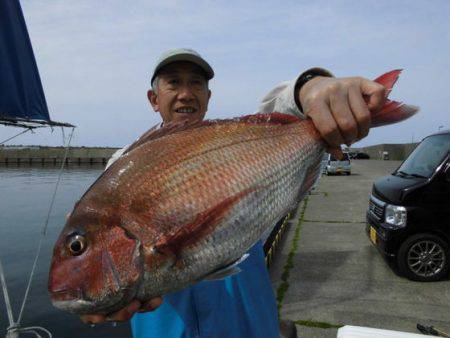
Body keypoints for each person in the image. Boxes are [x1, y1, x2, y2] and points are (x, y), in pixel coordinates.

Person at [81, 48, 386, 337]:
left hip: (251, 326)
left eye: (196, 84)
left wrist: (309, 88)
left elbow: (277, 113)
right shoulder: (122, 168)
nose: (186, 93)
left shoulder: (237, 144)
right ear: (153, 98)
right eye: (174, 83)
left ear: (208, 97)